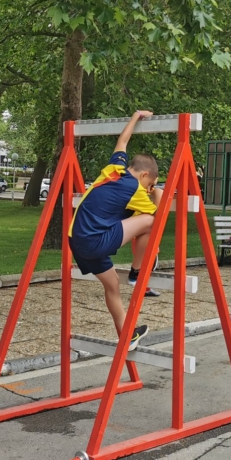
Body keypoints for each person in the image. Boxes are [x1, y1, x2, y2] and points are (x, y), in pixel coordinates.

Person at [68, 111, 162, 350]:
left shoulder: (113, 167)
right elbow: (158, 218)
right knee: (150, 221)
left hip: (77, 241)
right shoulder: (135, 189)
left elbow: (123, 141)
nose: (149, 189)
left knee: (112, 285)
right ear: (144, 175)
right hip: (96, 240)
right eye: (150, 184)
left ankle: (127, 335)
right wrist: (159, 195)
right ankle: (137, 271)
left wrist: (135, 116)